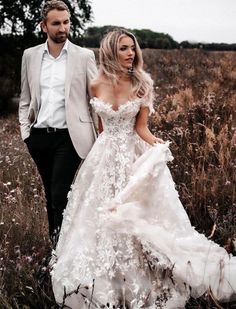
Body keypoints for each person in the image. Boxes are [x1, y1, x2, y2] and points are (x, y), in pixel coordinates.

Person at [50, 29, 236, 308]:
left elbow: (142, 128)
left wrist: (156, 144)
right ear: (111, 51)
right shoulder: (95, 83)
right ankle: (105, 276)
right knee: (98, 215)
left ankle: (145, 270)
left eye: (133, 48)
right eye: (124, 48)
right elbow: (101, 126)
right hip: (102, 157)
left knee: (135, 214)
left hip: (130, 152)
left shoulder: (142, 84)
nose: (131, 54)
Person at [18, 0, 97, 242]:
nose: (62, 28)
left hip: (70, 137)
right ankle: (57, 246)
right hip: (39, 137)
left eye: (66, 22)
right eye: (56, 23)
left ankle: (60, 252)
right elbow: (25, 98)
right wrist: (26, 133)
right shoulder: (30, 56)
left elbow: (94, 99)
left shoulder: (84, 56)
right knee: (50, 196)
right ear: (44, 26)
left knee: (60, 194)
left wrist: (100, 137)